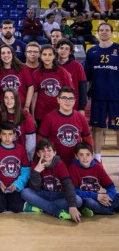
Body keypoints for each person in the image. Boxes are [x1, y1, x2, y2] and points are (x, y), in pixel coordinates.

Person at [21, 139, 82, 222]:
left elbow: (68, 185)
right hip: (43, 194)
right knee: (25, 192)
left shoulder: (60, 164)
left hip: (59, 195)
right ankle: (57, 211)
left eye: (49, 150)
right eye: (43, 150)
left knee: (78, 201)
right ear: (38, 154)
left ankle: (41, 207)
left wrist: (72, 206)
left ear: (54, 153)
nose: (46, 153)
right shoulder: (35, 165)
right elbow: (35, 189)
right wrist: (36, 172)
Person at [85, 22, 119, 163]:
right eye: (101, 30)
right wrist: (85, 96)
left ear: (111, 33)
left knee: (118, 129)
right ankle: (97, 159)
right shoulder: (92, 52)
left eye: (107, 30)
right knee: (97, 128)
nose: (104, 32)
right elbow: (87, 78)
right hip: (98, 97)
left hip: (116, 97)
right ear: (97, 33)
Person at [38, 86, 93, 166]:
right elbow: (40, 140)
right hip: (55, 162)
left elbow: (87, 139)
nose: (67, 101)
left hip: (76, 162)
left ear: (75, 101)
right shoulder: (49, 118)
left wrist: (89, 156)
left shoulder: (81, 118)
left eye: (71, 99)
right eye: (64, 98)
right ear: (58, 100)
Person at [0, 121, 30, 213]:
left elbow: (26, 170)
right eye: (4, 134)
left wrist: (17, 184)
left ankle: (8, 200)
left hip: (14, 186)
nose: (7, 137)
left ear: (15, 135)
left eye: (10, 134)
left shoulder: (20, 149)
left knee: (17, 208)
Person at [69, 142, 119, 216]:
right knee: (89, 203)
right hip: (86, 198)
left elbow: (110, 186)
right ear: (76, 156)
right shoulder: (73, 167)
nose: (85, 158)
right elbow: (75, 191)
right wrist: (96, 196)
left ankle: (104, 209)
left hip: (99, 197)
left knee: (116, 196)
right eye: (81, 155)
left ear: (92, 156)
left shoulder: (98, 167)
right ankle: (110, 210)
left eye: (88, 155)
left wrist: (108, 197)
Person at [32, 45, 73, 126]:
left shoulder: (62, 72)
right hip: (41, 113)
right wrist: (32, 116)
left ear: (54, 56)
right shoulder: (36, 73)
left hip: (59, 112)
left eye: (50, 54)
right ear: (40, 55)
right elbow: (34, 96)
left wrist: (68, 112)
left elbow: (70, 94)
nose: (47, 57)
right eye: (44, 54)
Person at [0, 88, 36, 161]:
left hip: (21, 155)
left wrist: (27, 159)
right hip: (4, 154)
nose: (9, 101)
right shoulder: (0, 115)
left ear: (16, 99)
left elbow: (30, 143)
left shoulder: (25, 115)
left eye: (12, 98)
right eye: (6, 98)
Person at [56, 39, 87, 114]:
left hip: (72, 105)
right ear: (57, 50)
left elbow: (82, 87)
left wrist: (82, 108)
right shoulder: (52, 65)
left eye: (67, 49)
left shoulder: (77, 65)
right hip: (55, 105)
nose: (63, 51)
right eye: (61, 48)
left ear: (70, 52)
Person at [0, 44, 34, 109]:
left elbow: (30, 87)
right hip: (5, 107)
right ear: (0, 56)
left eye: (8, 52)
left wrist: (26, 106)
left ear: (13, 54)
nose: (6, 55)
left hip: (21, 106)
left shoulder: (23, 68)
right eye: (3, 53)